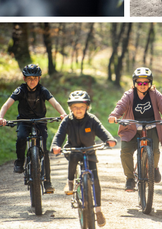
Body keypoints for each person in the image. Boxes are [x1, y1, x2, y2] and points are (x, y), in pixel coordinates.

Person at [0, 64, 67, 194]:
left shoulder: (43, 90)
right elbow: (7, 104)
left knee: (45, 150)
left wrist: (64, 114)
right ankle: (20, 161)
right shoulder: (20, 90)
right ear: (24, 78)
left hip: (40, 121)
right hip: (24, 121)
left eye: (35, 78)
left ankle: (47, 182)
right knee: (21, 137)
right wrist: (1, 117)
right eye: (29, 78)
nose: (32, 81)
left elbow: (55, 103)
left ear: (39, 78)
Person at [107, 67, 162, 191]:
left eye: (145, 83)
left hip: (151, 127)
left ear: (149, 83)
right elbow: (121, 106)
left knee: (155, 151)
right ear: (135, 83)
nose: (142, 85)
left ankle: (154, 167)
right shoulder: (129, 95)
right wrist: (114, 116)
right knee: (125, 151)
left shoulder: (155, 94)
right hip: (132, 128)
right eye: (139, 83)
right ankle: (130, 178)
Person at [51, 91, 116, 227]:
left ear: (87, 107)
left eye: (81, 107)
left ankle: (98, 210)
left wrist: (109, 139)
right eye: (75, 107)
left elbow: (101, 130)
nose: (78, 110)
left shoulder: (91, 119)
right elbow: (59, 135)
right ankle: (70, 181)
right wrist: (55, 145)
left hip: (89, 151)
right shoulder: (67, 121)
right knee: (74, 157)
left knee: (96, 179)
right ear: (70, 109)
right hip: (74, 149)